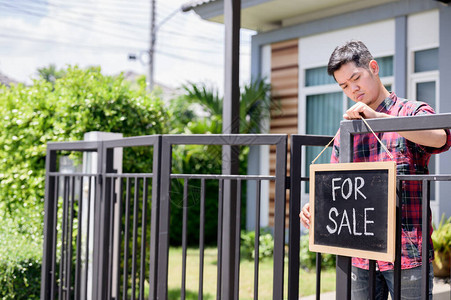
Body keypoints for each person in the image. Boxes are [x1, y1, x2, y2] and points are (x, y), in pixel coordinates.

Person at [299, 40, 451, 299]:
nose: (352, 89)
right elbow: (338, 184)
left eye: (356, 78)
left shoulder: (410, 110)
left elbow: (441, 138)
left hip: (407, 253)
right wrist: (317, 207)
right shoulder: (347, 128)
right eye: (344, 86)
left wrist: (380, 119)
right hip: (359, 254)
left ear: (374, 67)